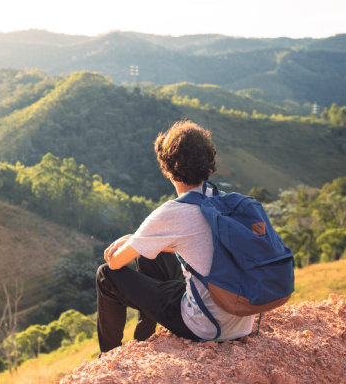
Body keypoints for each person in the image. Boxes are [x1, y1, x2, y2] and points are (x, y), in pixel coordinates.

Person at [95, 119, 255, 353]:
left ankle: (107, 357)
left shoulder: (171, 213)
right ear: (208, 163)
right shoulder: (222, 201)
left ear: (168, 170)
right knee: (151, 256)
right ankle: (144, 339)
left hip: (206, 326)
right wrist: (139, 240)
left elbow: (115, 262)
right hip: (241, 321)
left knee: (105, 276)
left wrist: (133, 242)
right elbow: (204, 247)